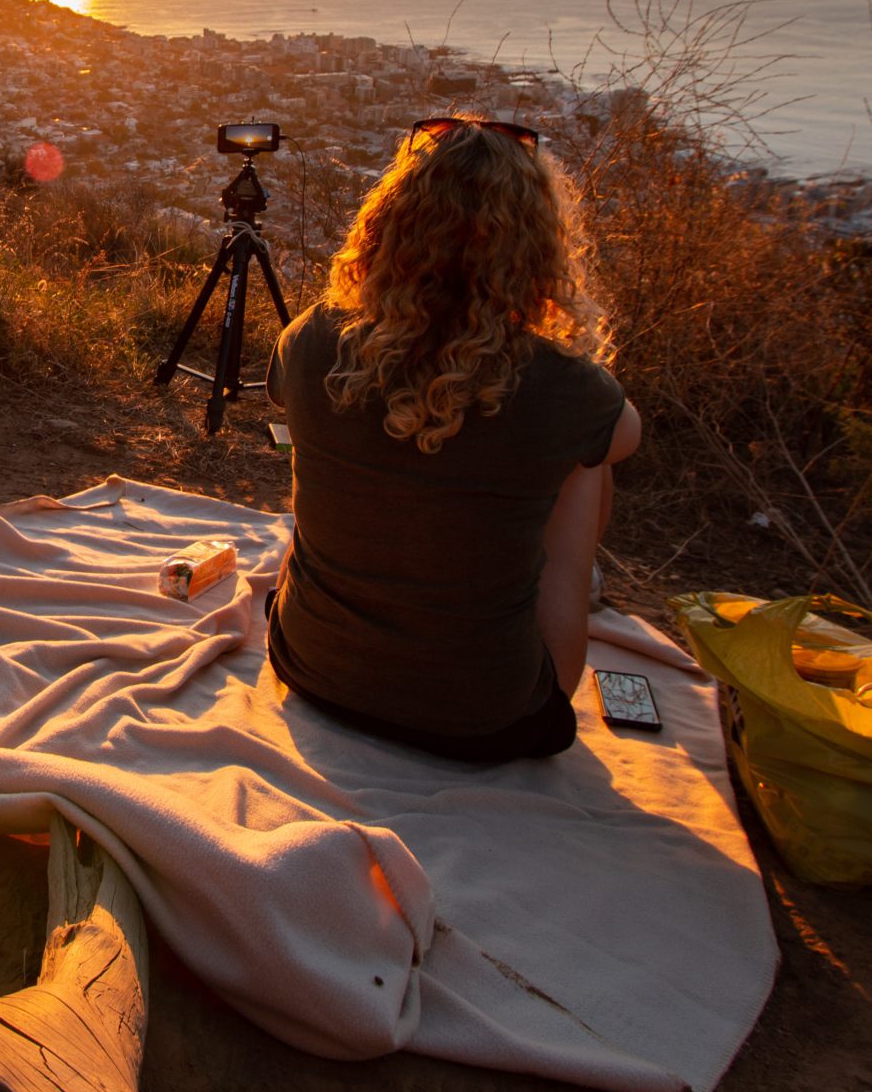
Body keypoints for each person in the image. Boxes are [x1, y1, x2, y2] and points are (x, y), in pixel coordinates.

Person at [265, 114, 641, 762]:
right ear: (534, 245)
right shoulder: (565, 385)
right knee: (589, 461)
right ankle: (577, 588)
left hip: (311, 671)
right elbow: (625, 436)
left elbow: (277, 392)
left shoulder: (310, 338)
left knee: (324, 438)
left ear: (391, 222)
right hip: (492, 718)